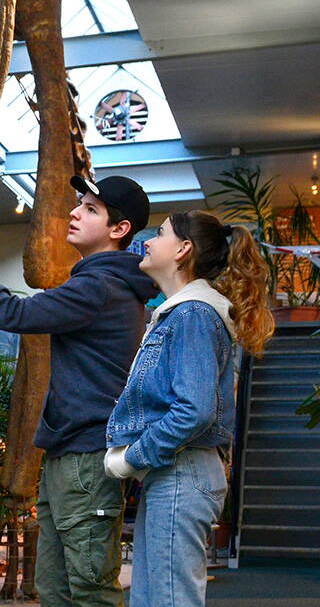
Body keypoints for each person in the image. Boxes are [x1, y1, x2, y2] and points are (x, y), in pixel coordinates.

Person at [0, 175, 158, 607]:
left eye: (90, 209)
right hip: (69, 454)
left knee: (88, 588)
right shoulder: (99, 282)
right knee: (55, 588)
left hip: (86, 458)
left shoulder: (99, 286)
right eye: (79, 204)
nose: (74, 212)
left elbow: (14, 313)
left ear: (119, 229)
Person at [103, 211, 273, 607]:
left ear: (183, 250)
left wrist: (132, 457)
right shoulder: (185, 312)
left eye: (159, 234)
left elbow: (195, 411)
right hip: (175, 472)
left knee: (168, 599)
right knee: (154, 597)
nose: (148, 240)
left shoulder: (193, 314)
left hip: (182, 471)